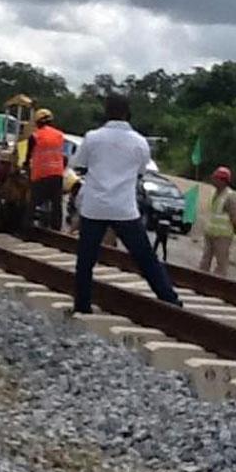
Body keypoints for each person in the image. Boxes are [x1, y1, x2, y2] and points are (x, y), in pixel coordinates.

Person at [72, 94, 181, 314]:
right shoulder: (139, 142)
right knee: (146, 258)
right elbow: (141, 171)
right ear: (127, 112)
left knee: (86, 260)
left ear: (106, 112)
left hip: (95, 206)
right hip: (124, 208)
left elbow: (79, 164)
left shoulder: (92, 137)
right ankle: (169, 299)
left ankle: (82, 305)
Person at [25, 108, 67, 230]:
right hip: (57, 174)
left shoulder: (35, 136)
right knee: (56, 205)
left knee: (32, 204)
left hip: (41, 175)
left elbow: (28, 156)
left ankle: (27, 230)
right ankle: (56, 231)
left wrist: (25, 165)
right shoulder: (60, 135)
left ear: (37, 122)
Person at [199, 166, 236, 276]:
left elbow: (234, 217)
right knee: (205, 260)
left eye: (216, 178)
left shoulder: (230, 197)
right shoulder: (213, 193)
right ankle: (201, 281)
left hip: (223, 235)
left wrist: (235, 229)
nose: (213, 180)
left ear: (223, 181)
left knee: (221, 263)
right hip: (210, 232)